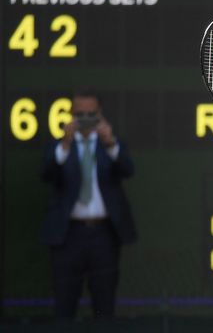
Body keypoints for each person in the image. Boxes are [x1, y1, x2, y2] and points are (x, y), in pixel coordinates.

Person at [41, 90, 136, 319]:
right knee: (64, 306)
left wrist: (110, 141)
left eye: (90, 114)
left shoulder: (110, 143)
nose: (85, 119)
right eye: (80, 114)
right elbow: (46, 174)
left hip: (103, 235)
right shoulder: (60, 145)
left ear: (100, 114)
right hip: (68, 237)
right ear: (72, 115)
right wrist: (65, 144)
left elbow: (128, 169)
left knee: (104, 306)